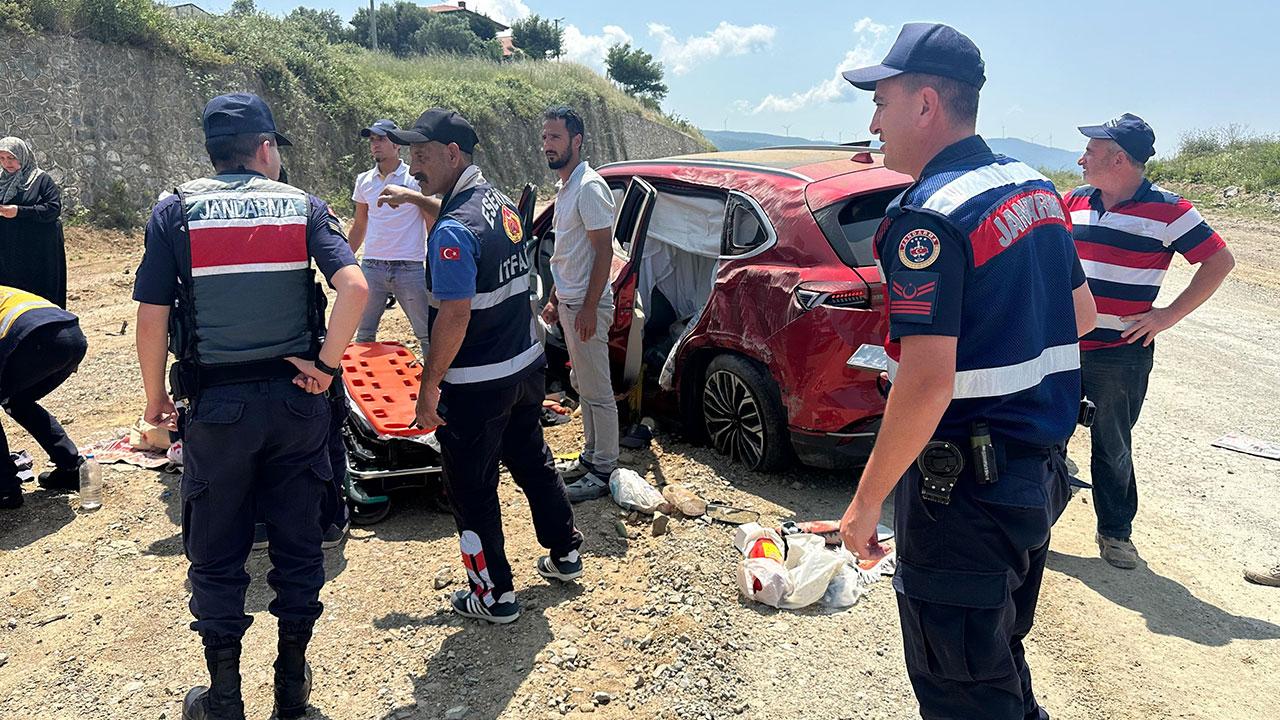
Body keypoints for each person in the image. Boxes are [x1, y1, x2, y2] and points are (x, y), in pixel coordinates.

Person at [837, 24, 1096, 720]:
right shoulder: (1034, 188)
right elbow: (1084, 316)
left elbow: (925, 382)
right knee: (997, 658)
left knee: (963, 691)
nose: (873, 123)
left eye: (882, 103)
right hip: (1034, 478)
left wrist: (865, 505)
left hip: (964, 498)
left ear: (925, 105)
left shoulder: (926, 217)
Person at [133, 92, 367, 720]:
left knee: (217, 545)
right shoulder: (304, 207)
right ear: (265, 149)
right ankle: (292, 690)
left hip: (216, 406)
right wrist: (324, 364)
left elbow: (152, 317)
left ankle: (224, 698)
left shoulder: (175, 211)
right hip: (296, 404)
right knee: (297, 540)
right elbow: (355, 286)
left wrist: (157, 398)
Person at [379, 108, 584, 624]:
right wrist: (415, 199)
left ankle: (493, 595)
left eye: (421, 157)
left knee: (470, 488)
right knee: (532, 460)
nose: (413, 167)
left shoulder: (453, 230)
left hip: (475, 384)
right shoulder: (499, 205)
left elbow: (454, 314)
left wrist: (429, 388)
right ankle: (565, 551)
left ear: (452, 154)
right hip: (525, 369)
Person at [1064, 114, 1235, 570]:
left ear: (1119, 159)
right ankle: (1034, 526)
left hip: (1120, 355)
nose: (1081, 160)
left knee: (1112, 443)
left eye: (1091, 153)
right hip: (1061, 346)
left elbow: (1220, 260)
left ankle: (1115, 534)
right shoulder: (1075, 200)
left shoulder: (1171, 210)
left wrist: (1167, 316)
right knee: (1046, 435)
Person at [539, 105, 620, 501]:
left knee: (597, 391)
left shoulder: (588, 186)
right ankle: (591, 457)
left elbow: (602, 252)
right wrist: (556, 298)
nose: (547, 145)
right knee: (583, 387)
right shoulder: (567, 185)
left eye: (555, 137)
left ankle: (604, 469)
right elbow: (568, 254)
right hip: (570, 303)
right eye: (545, 137)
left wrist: (588, 308)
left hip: (587, 307)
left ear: (576, 141)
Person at [349, 119, 434, 352]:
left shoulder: (414, 179)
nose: (375, 144)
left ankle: (437, 387)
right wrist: (343, 261)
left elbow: (430, 222)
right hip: (372, 266)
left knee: (426, 334)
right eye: (372, 140)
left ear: (397, 144)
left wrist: (436, 265)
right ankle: (366, 386)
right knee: (364, 335)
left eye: (382, 139)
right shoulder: (364, 181)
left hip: (409, 266)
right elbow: (359, 224)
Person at [0, 286, 88, 510]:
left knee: (15, 399)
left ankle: (5, 490)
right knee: (17, 401)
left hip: (34, 339)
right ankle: (71, 467)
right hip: (72, 336)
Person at [0, 137, 67, 309]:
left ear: (23, 156)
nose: (7, 163)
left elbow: (53, 209)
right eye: (2, 158)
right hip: (9, 252)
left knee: (38, 299)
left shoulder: (41, 180)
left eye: (11, 158)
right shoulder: (1, 182)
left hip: (38, 254)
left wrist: (19, 211)